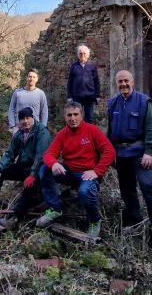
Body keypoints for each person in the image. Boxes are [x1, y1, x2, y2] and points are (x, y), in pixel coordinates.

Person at [107, 70, 152, 253]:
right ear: (116, 84)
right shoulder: (113, 104)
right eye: (120, 82)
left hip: (140, 153)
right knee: (127, 189)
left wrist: (149, 151)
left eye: (126, 81)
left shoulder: (144, 102)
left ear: (132, 82)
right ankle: (135, 221)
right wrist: (109, 153)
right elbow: (110, 132)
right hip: (121, 154)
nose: (123, 85)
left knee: (147, 187)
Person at [36, 101, 116, 238]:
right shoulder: (62, 134)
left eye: (75, 114)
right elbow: (48, 154)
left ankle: (94, 220)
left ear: (82, 115)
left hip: (87, 174)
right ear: (65, 117)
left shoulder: (92, 130)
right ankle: (55, 208)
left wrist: (97, 171)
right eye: (69, 115)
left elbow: (110, 151)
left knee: (84, 192)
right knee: (44, 170)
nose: (73, 118)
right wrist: (54, 164)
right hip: (69, 173)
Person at [0, 107, 52, 230]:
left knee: (30, 187)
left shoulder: (42, 132)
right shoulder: (19, 134)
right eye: (22, 119)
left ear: (32, 118)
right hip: (22, 167)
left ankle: (15, 217)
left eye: (28, 118)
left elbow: (40, 157)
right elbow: (10, 154)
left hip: (38, 169)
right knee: (0, 173)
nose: (25, 121)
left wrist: (32, 175)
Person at [67, 44, 101, 123]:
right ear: (78, 55)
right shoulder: (74, 66)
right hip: (77, 97)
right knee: (77, 117)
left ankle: (89, 134)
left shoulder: (92, 66)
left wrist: (97, 95)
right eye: (80, 53)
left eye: (84, 53)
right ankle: (78, 134)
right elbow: (70, 82)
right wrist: (69, 96)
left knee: (89, 118)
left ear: (87, 55)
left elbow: (96, 81)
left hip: (89, 96)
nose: (82, 55)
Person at [7, 68, 48, 134]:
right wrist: (12, 126)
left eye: (34, 77)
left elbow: (44, 111)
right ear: (26, 78)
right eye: (30, 76)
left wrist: (43, 127)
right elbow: (11, 109)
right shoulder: (17, 93)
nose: (31, 79)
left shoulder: (41, 93)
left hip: (35, 129)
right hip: (19, 128)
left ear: (37, 79)